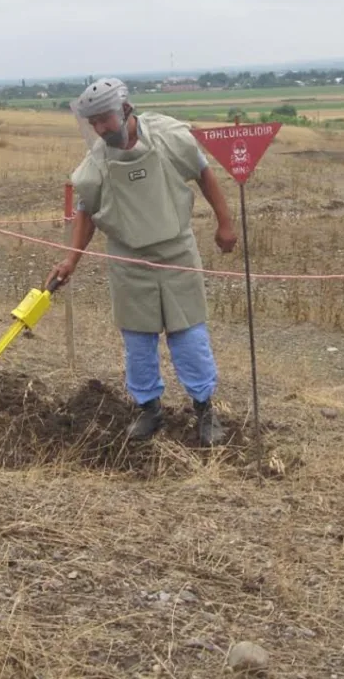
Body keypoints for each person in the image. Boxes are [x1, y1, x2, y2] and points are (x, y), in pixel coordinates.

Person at [46, 78, 238, 446]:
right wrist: (71, 260)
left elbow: (203, 173)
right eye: (94, 123)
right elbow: (87, 212)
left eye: (106, 119)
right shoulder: (96, 164)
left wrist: (225, 224)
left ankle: (205, 409)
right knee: (138, 341)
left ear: (125, 109)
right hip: (128, 260)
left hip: (177, 252)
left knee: (189, 337)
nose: (101, 129)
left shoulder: (168, 137)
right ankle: (148, 409)